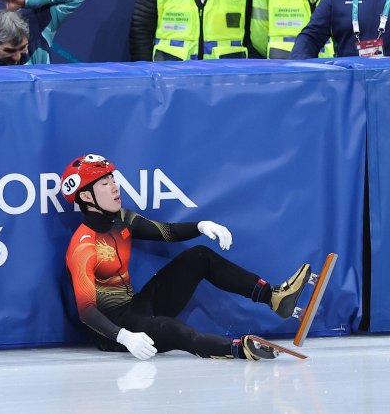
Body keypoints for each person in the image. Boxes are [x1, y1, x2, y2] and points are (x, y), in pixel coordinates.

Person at [61, 154, 312, 361]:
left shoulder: (122, 219)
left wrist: (201, 226)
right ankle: (238, 348)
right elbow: (87, 311)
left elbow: (166, 232)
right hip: (113, 332)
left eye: (112, 179)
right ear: (86, 197)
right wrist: (124, 337)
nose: (115, 187)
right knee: (174, 330)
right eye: (104, 184)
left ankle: (274, 297)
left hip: (135, 308)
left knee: (199, 256)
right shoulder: (83, 247)